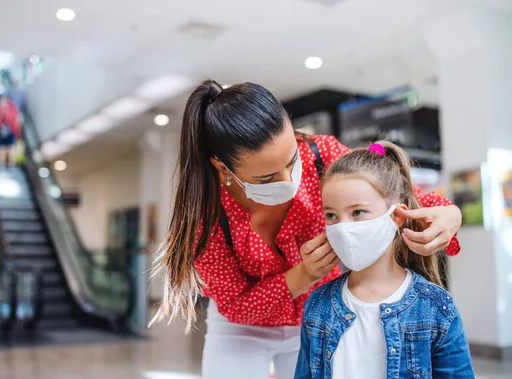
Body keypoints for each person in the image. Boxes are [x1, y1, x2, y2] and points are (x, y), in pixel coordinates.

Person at [149, 80, 463, 379]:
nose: (289, 181)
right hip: (241, 327)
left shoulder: (321, 155)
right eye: (267, 178)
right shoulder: (206, 217)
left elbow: (394, 196)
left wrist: (449, 213)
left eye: (292, 160)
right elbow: (236, 305)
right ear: (223, 167)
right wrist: (305, 273)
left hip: (320, 315)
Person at [295, 142, 474, 379]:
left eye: (358, 212)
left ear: (397, 217)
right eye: (331, 215)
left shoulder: (436, 308)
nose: (343, 227)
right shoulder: (318, 305)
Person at [0, 95, 21, 168]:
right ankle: (4, 164)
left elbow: (9, 120)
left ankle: (9, 164)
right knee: (5, 147)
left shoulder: (8, 108)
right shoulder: (7, 108)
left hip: (8, 131)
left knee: (7, 147)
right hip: (5, 131)